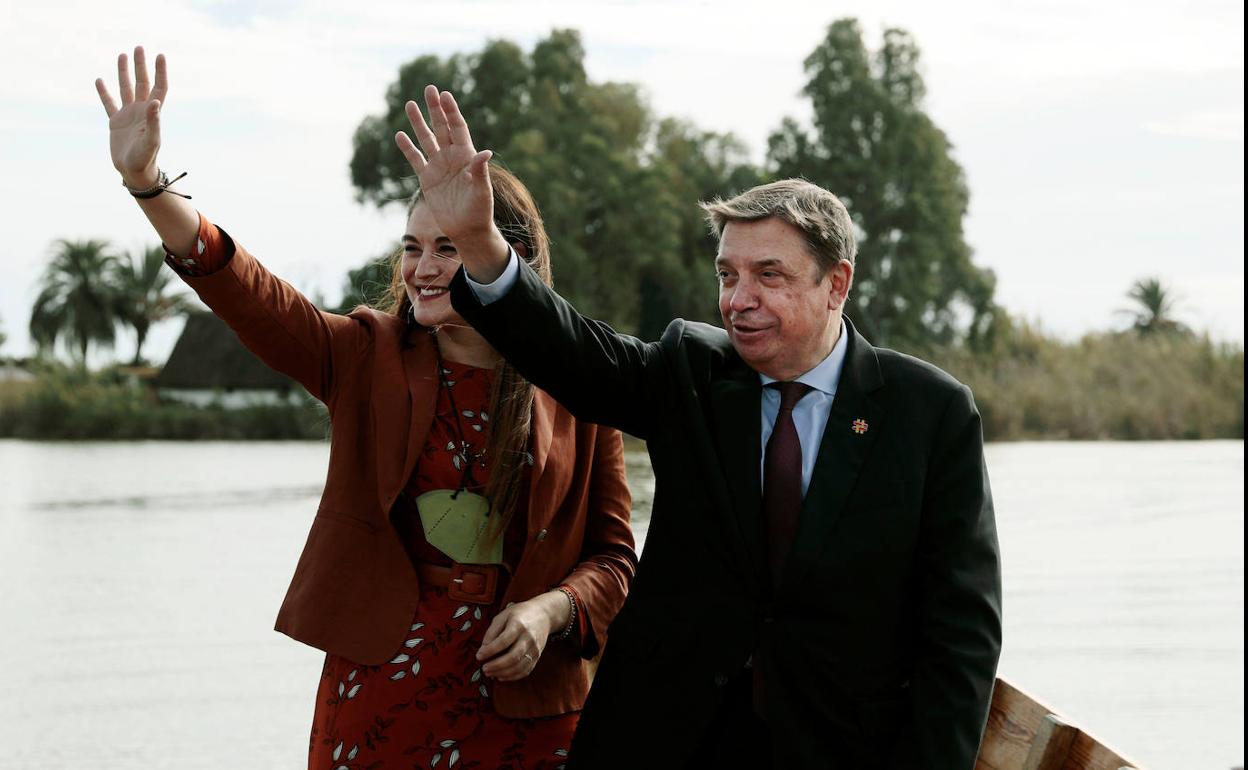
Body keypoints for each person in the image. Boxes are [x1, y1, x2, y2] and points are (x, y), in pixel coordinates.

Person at [393, 85, 1004, 769]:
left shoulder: (931, 413)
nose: (738, 300)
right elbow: (572, 351)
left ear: (836, 284)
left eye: (768, 275)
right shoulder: (692, 372)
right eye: (727, 274)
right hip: (666, 744)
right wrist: (477, 243)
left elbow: (961, 636)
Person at [94, 49, 636, 770]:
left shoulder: (582, 381)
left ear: (504, 254)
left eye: (450, 245)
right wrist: (147, 185)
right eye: (412, 247)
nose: (423, 267)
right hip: (385, 692)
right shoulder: (361, 354)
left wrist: (552, 610)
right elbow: (250, 292)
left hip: (531, 706)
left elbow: (615, 560)